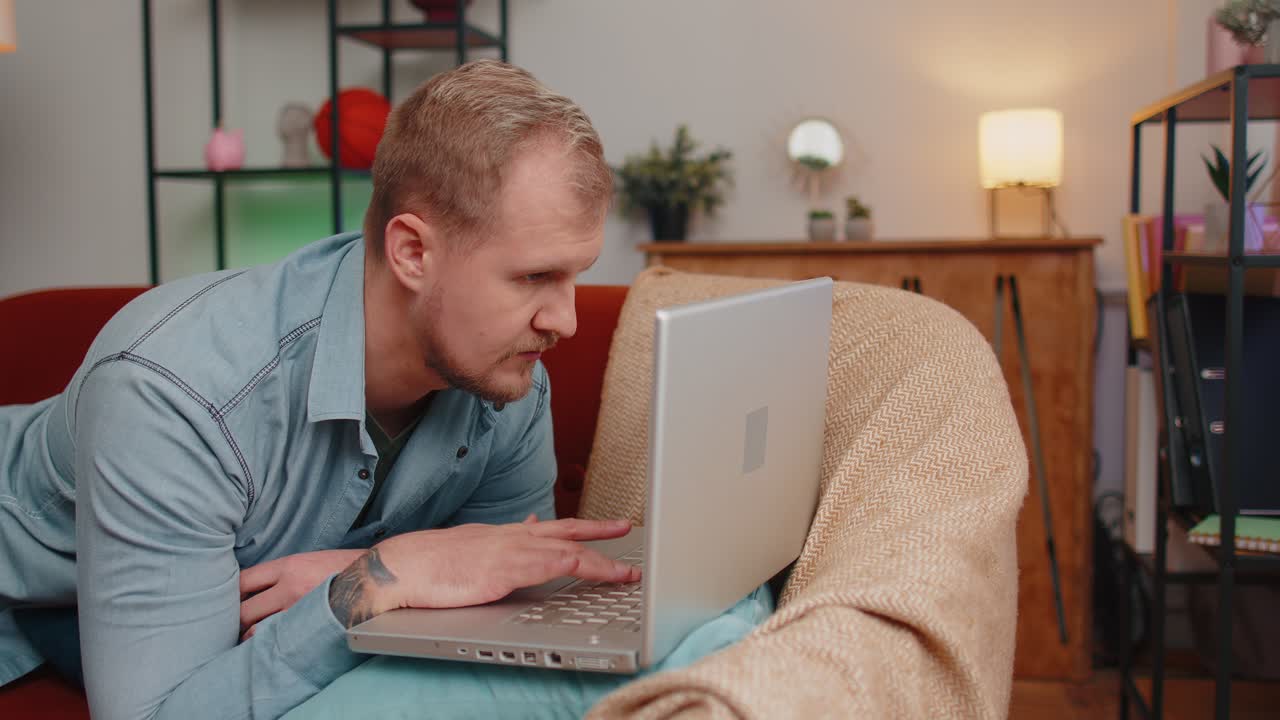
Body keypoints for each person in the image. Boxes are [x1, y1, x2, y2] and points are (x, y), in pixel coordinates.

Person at [0, 59, 686, 719]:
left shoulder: (506, 385)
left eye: (576, 276)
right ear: (412, 252)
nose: (564, 320)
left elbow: (507, 587)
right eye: (535, 277)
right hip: (28, 601)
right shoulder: (172, 393)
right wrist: (373, 582)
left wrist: (364, 570)